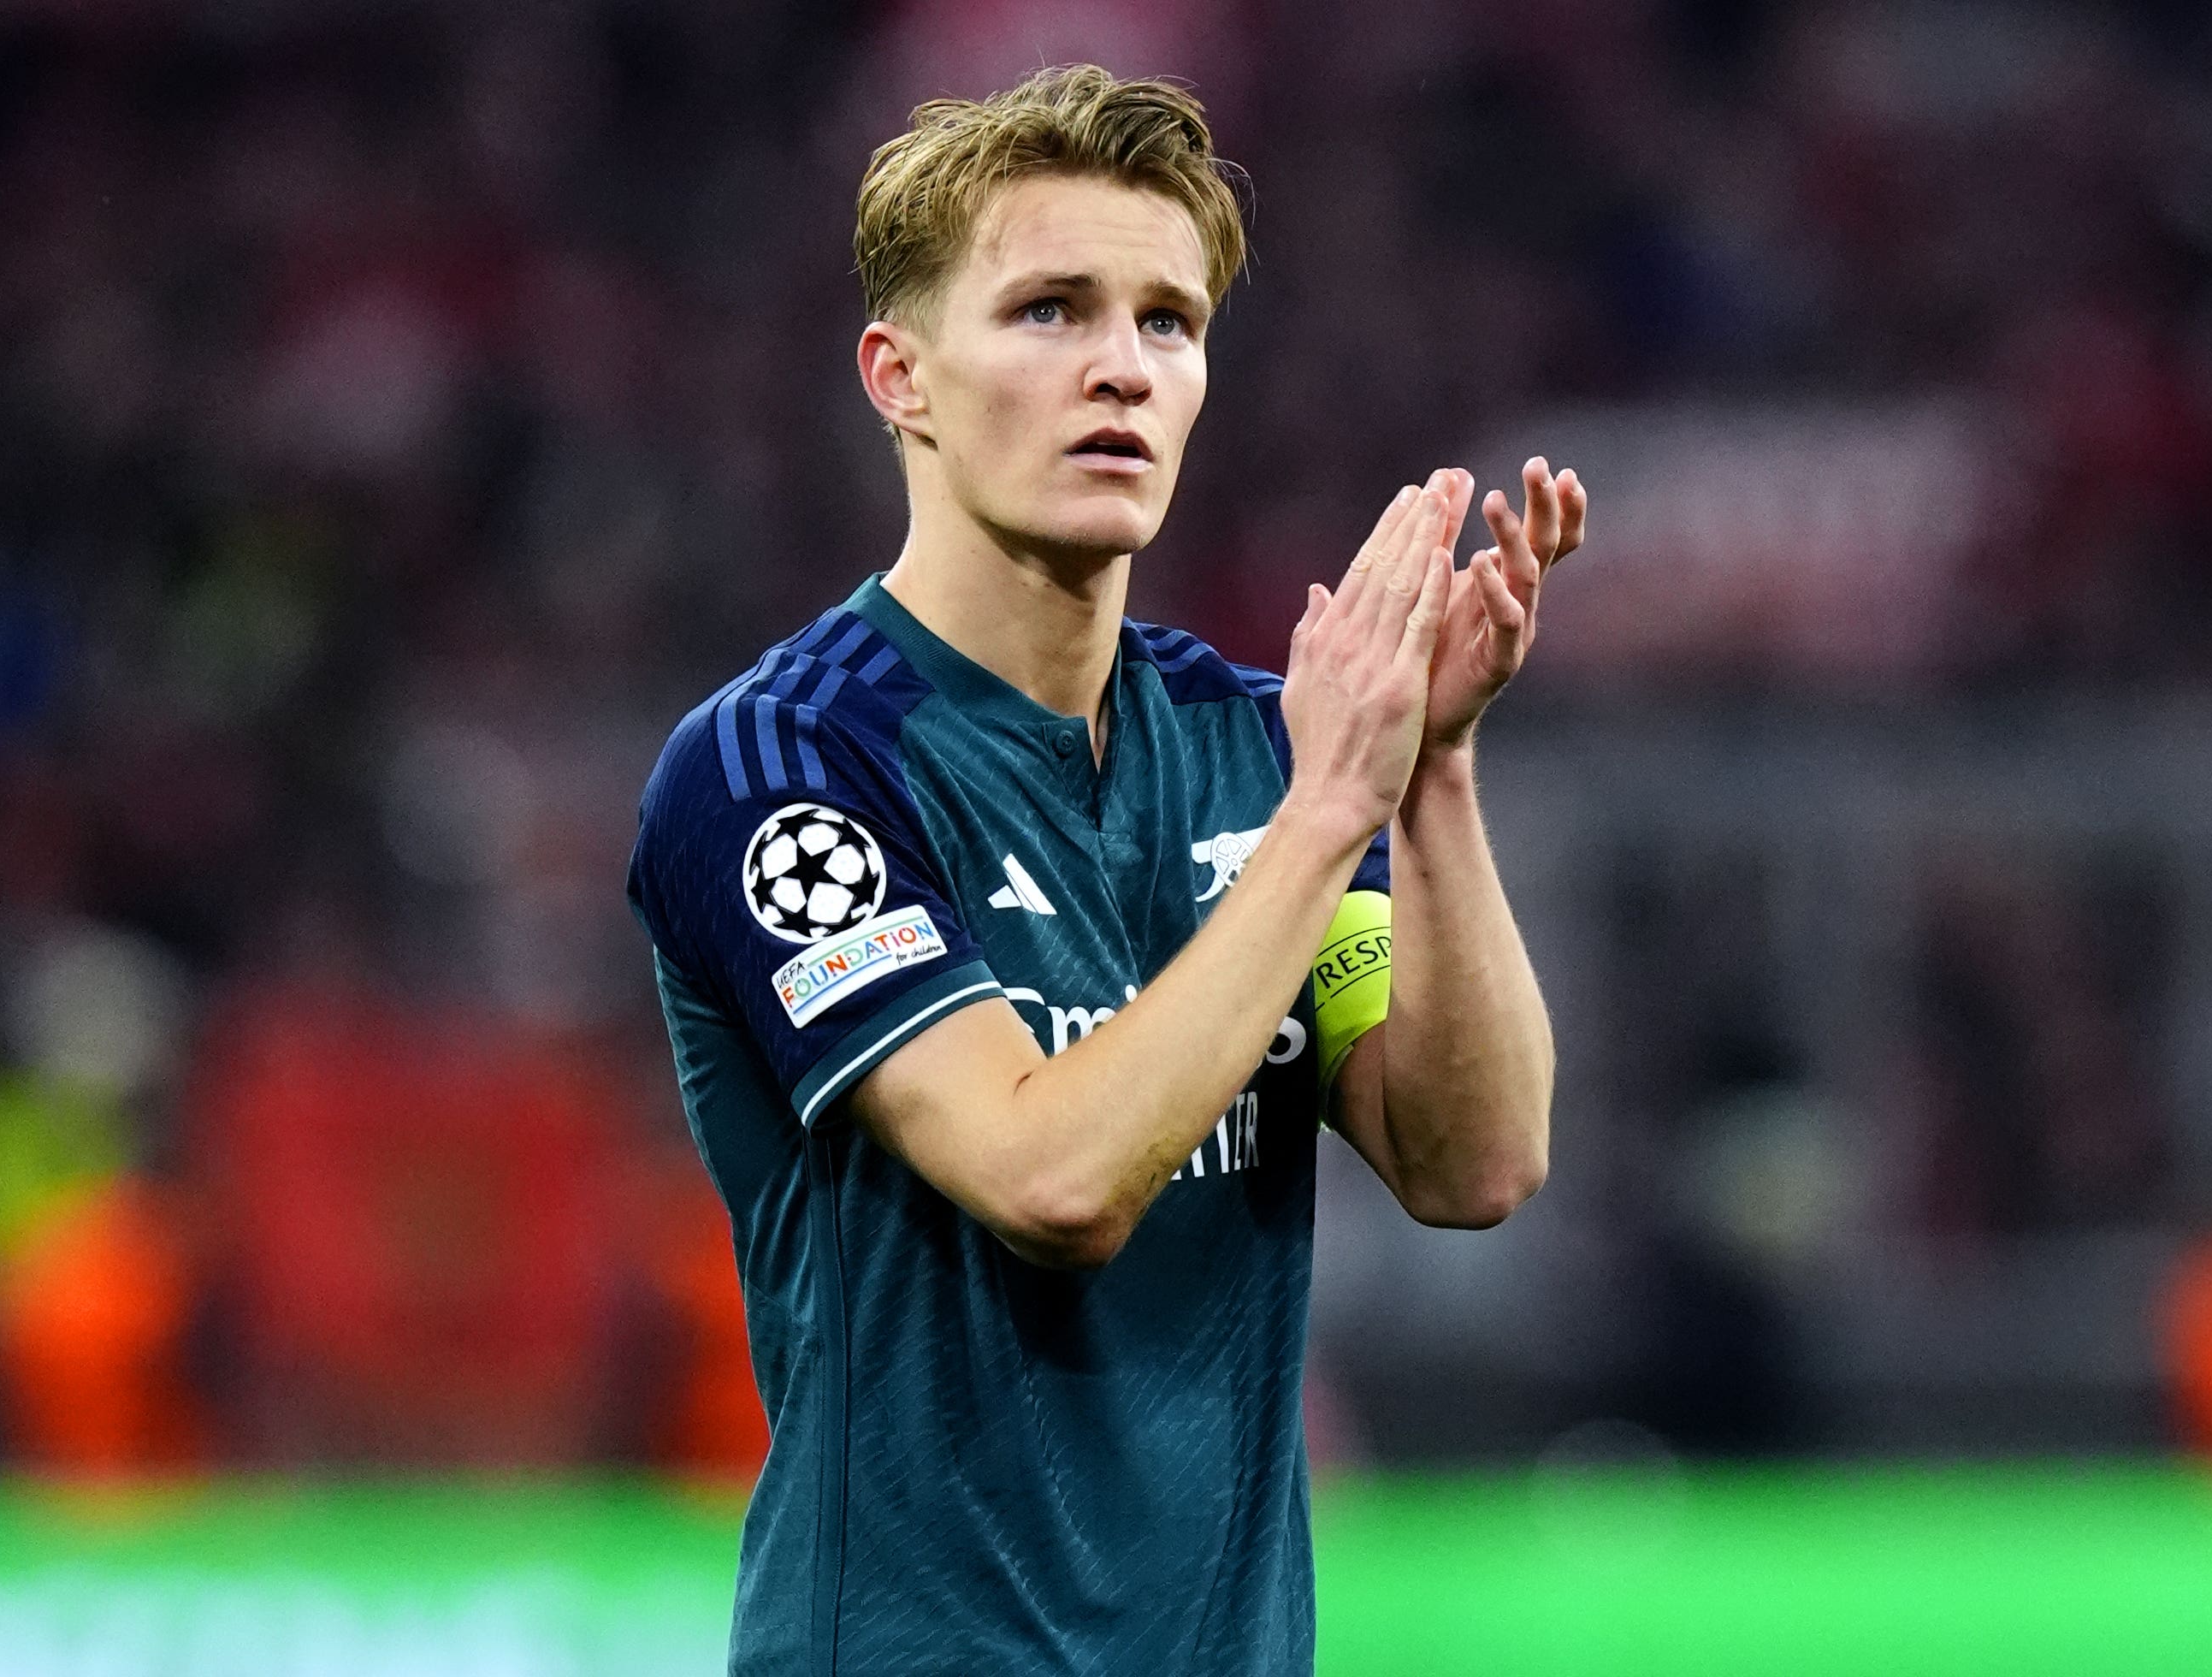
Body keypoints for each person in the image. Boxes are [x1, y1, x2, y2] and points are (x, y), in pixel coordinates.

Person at [627, 64, 1586, 1676]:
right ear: (901, 377)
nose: (1123, 373)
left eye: (1168, 322)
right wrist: (1328, 807)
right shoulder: (780, 767)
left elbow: (1472, 1161)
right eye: (1052, 312)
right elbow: (1049, 1179)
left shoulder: (1248, 748)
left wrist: (1432, 778)